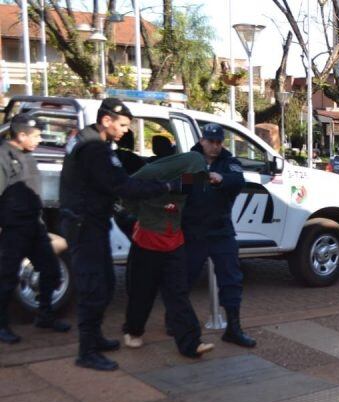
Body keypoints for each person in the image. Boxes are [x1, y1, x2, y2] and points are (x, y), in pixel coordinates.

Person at [60, 98, 176, 371]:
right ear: (107, 120)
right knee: (94, 287)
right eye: (122, 124)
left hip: (90, 222)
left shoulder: (87, 138)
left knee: (107, 282)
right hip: (85, 224)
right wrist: (164, 187)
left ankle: (95, 338)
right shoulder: (94, 148)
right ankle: (86, 351)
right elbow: (120, 185)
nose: (126, 130)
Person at [122, 151, 215, 358]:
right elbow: (127, 190)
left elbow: (195, 190)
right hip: (147, 240)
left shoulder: (192, 175)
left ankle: (191, 343)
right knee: (142, 292)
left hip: (174, 241)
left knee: (178, 294)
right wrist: (140, 214)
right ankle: (133, 330)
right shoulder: (152, 173)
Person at [180, 123, 256, 347]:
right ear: (202, 140)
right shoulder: (189, 159)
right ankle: (177, 321)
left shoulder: (229, 161)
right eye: (210, 141)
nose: (214, 146)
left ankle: (233, 328)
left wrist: (220, 179)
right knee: (183, 280)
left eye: (218, 142)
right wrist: (204, 178)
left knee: (232, 280)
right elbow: (180, 183)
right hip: (192, 231)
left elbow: (238, 180)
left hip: (220, 230)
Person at [0, 114, 70, 343]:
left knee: (51, 269)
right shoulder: (3, 156)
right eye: (36, 135)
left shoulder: (27, 155)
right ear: (21, 135)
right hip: (13, 229)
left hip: (34, 226)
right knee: (7, 278)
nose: (40, 139)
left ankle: (45, 315)